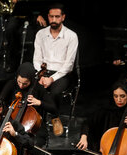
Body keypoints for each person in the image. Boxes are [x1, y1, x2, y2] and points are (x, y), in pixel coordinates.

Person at [0, 62, 57, 155]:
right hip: (14, 122)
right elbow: (0, 100)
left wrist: (39, 103)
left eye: (25, 84)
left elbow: (54, 108)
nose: (20, 85)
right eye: (19, 81)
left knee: (35, 147)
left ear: (31, 81)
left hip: (34, 127)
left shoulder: (39, 89)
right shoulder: (12, 84)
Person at [32, 3, 78, 137]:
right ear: (48, 16)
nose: (53, 20)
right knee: (33, 89)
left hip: (61, 73)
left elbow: (69, 65)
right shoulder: (40, 34)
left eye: (57, 17)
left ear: (63, 17)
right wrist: (40, 76)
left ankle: (54, 117)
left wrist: (52, 79)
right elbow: (36, 59)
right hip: (43, 72)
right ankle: (36, 119)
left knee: (55, 92)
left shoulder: (71, 36)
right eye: (51, 16)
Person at [76, 80, 127, 155]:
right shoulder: (107, 110)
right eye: (115, 96)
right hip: (105, 153)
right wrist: (84, 137)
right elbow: (88, 122)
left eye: (122, 96)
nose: (119, 100)